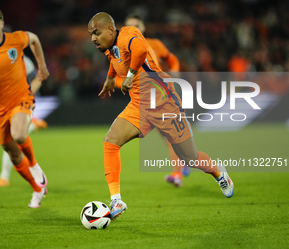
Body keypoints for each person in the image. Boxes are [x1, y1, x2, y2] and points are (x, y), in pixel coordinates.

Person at [88, 12, 234, 220]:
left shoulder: (130, 34)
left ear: (111, 30)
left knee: (189, 158)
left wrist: (129, 76)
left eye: (96, 32)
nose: (93, 38)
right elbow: (116, 59)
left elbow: (138, 49)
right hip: (139, 105)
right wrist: (110, 78)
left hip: (164, 103)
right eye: (91, 34)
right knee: (111, 141)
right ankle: (116, 200)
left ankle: (218, 172)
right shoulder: (109, 48)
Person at [0, 6, 49, 208]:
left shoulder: (16, 39)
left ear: (2, 24)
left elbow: (35, 39)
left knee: (20, 135)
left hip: (21, 98)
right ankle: (37, 189)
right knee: (12, 152)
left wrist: (42, 67)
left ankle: (34, 166)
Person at [123, 14, 189, 187]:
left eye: (136, 25)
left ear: (143, 28)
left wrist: (174, 70)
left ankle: (179, 171)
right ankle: (184, 161)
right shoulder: (122, 50)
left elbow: (172, 59)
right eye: (129, 26)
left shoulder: (155, 45)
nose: (133, 29)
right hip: (142, 99)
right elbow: (117, 74)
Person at [0, 56, 48, 188]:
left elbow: (38, 77)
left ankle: (4, 177)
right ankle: (33, 124)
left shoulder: (23, 60)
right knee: (11, 140)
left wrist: (28, 94)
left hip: (22, 104)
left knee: (11, 140)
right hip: (7, 103)